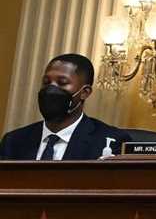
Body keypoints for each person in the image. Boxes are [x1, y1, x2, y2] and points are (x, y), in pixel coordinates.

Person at [0, 53, 131, 160]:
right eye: (46, 82)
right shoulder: (13, 141)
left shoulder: (109, 142)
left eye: (62, 83)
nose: (51, 89)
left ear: (84, 93)